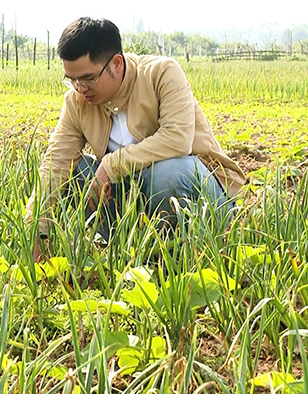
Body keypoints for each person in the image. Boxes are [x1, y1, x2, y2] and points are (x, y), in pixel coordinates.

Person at [25, 17, 245, 261]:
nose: (80, 88)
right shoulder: (76, 103)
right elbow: (55, 164)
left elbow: (177, 139)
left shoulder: (161, 73)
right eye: (72, 79)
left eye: (88, 78)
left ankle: (180, 257)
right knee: (78, 172)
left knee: (170, 173)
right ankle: (126, 249)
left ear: (116, 64)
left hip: (196, 192)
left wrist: (111, 165)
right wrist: (37, 229)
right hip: (134, 199)